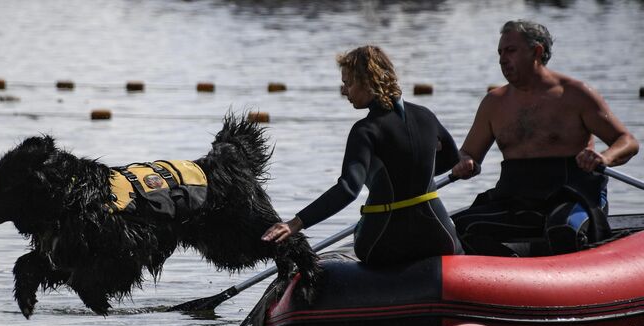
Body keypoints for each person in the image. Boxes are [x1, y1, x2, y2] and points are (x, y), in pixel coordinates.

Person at [451, 20, 639, 256]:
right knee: (454, 229)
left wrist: (604, 157)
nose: (502, 59)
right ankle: (514, 275)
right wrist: (463, 161)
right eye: (499, 52)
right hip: (516, 198)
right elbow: (469, 153)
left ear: (537, 52)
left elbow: (627, 141)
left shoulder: (576, 94)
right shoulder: (493, 103)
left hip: (573, 194)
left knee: (563, 230)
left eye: (510, 50)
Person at [262, 45, 462, 265]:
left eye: (348, 83)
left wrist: (295, 223)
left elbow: (348, 189)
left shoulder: (365, 130)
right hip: (439, 236)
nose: (344, 91)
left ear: (368, 82)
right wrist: (414, 173)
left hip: (384, 240)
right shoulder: (426, 116)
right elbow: (452, 159)